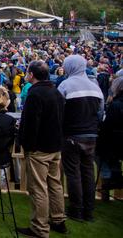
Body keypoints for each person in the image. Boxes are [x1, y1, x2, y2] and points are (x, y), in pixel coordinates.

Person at [17, 61, 67, 237]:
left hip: (40, 148)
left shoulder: (35, 94)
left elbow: (31, 124)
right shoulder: (56, 92)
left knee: (38, 188)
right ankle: (59, 220)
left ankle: (39, 227)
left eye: (27, 72)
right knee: (55, 184)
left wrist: (28, 146)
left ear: (32, 75)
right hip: (55, 146)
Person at [57, 55, 103, 222]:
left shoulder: (65, 85)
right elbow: (99, 112)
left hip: (71, 135)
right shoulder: (95, 87)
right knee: (88, 172)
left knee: (74, 173)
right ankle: (88, 211)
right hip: (91, 135)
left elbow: (58, 110)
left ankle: (76, 210)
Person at [98, 77, 123, 192]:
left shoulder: (116, 104)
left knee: (100, 152)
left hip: (116, 143)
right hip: (116, 141)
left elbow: (107, 126)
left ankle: (111, 178)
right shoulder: (115, 103)